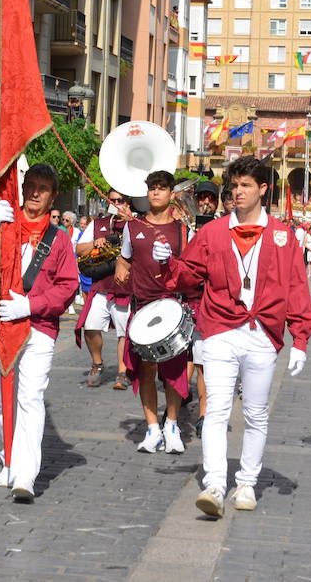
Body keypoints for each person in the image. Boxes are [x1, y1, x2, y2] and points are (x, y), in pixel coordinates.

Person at [167, 156, 311, 518]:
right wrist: (165, 262)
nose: (238, 192)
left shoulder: (282, 236)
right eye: (234, 186)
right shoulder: (213, 232)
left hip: (262, 332)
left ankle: (247, 482)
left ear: (263, 189)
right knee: (216, 408)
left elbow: (296, 286)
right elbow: (188, 276)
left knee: (256, 412)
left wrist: (301, 338)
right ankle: (215, 484)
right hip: (220, 329)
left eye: (246, 185)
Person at [0, 163, 80, 502]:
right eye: (31, 185)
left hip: (38, 326)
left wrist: (31, 305)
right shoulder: (3, 225)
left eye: (44, 188)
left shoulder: (59, 239)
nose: (35, 193)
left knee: (30, 397)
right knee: (4, 400)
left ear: (53, 197)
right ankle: (9, 458)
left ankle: (26, 473)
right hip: (1, 325)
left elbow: (67, 286)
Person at [120, 171, 192, 455]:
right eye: (152, 188)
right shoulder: (132, 227)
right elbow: (124, 260)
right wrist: (120, 273)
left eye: (162, 188)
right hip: (141, 307)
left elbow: (189, 269)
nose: (156, 193)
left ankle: (171, 425)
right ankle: (152, 429)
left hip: (172, 306)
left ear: (171, 194)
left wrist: (172, 261)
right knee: (146, 369)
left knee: (174, 371)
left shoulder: (182, 231)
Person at [75, 190, 133, 389]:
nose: (116, 203)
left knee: (124, 333)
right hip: (100, 286)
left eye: (121, 200)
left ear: (128, 202)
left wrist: (132, 222)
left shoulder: (136, 223)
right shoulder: (98, 223)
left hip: (125, 288)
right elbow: (79, 249)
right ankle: (97, 364)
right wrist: (95, 243)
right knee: (90, 327)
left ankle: (122, 372)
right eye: (112, 200)